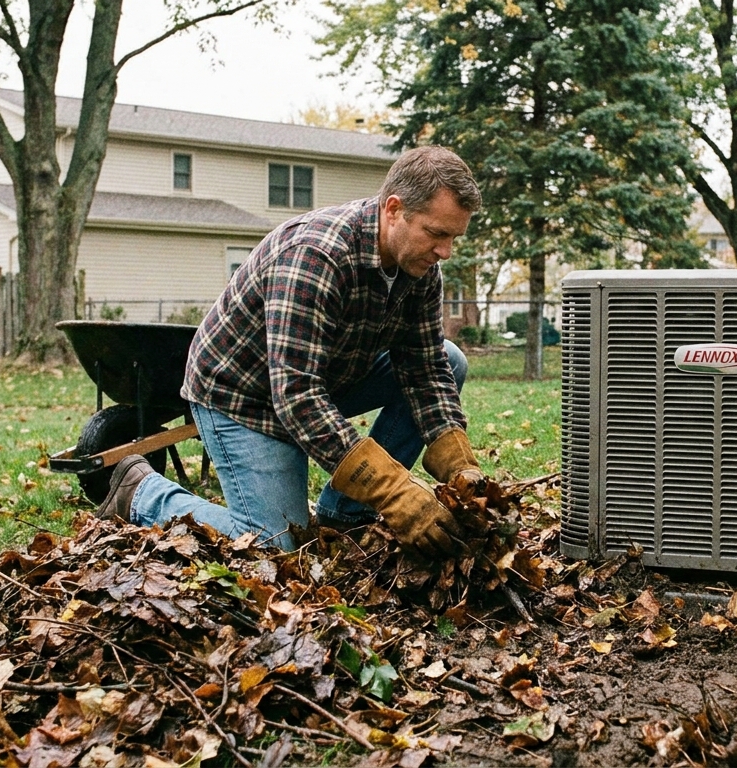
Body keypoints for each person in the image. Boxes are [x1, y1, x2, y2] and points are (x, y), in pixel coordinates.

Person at [94, 146, 487, 557]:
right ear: (393, 210)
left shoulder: (420, 268)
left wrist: (459, 463)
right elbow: (297, 394)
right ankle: (141, 492)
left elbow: (424, 367)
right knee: (277, 545)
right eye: (437, 234)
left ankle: (347, 513)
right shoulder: (316, 256)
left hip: (322, 376)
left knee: (449, 358)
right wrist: (391, 489)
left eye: (453, 237)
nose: (446, 251)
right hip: (245, 397)